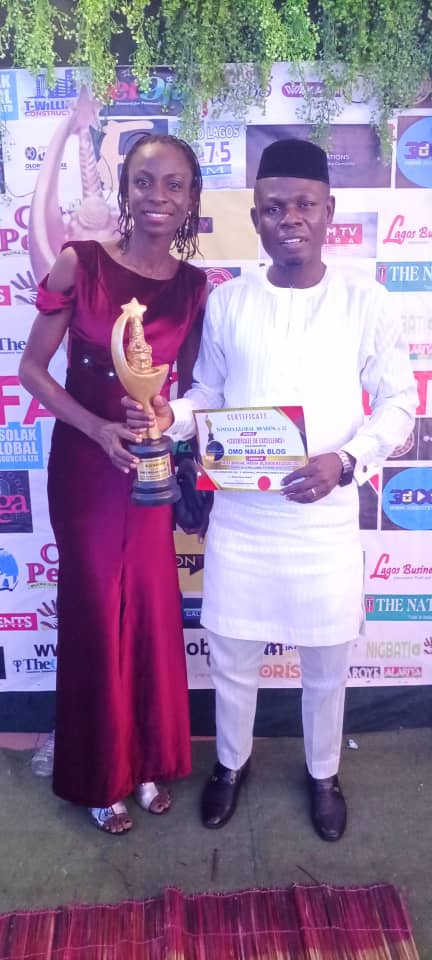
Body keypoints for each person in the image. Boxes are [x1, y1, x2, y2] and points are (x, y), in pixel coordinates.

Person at [125, 138, 418, 842]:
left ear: (330, 212)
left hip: (323, 520)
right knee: (232, 658)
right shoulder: (230, 301)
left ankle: (324, 773)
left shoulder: (365, 301)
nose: (291, 218)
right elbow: (207, 394)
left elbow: (401, 403)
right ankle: (231, 765)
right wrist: (170, 416)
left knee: (326, 667)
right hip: (244, 520)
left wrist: (346, 461)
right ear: (255, 217)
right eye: (275, 207)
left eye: (305, 205)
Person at [19, 133, 207, 834]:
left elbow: (192, 390)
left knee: (153, 610)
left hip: (149, 469)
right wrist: (98, 428)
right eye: (144, 182)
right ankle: (101, 776)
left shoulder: (194, 287)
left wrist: (165, 417)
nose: (158, 197)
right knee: (99, 613)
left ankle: (149, 760)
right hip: (86, 466)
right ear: (125, 190)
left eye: (174, 185)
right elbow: (32, 369)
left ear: (190, 199)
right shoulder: (83, 263)